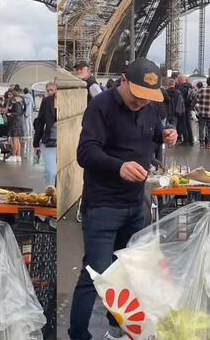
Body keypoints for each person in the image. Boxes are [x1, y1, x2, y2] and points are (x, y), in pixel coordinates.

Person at [69, 58, 177, 340]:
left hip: (135, 204)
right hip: (103, 205)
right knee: (95, 275)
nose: (142, 103)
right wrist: (119, 166)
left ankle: (118, 328)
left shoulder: (150, 105)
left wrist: (166, 135)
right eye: (138, 96)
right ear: (124, 81)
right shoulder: (101, 106)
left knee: (129, 273)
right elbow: (86, 153)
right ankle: (78, 335)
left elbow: (152, 134)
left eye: (148, 99)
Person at [33, 81, 57, 188]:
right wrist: (36, 142)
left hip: (65, 140)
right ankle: (50, 192)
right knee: (51, 171)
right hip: (50, 139)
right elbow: (40, 121)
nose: (50, 92)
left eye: (52, 90)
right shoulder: (47, 101)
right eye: (48, 90)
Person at [5, 89, 27, 162]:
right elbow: (23, 110)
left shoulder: (15, 101)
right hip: (19, 121)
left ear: (13, 94)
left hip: (14, 122)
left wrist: (9, 114)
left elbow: (16, 112)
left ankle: (14, 156)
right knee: (17, 139)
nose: (8, 96)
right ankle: (18, 156)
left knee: (14, 139)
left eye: (10, 94)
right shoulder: (21, 100)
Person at [175, 74, 195, 145]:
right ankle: (191, 140)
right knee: (188, 124)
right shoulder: (190, 86)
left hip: (182, 108)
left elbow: (178, 98)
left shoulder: (180, 88)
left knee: (183, 124)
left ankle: (186, 140)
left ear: (180, 79)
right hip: (188, 107)